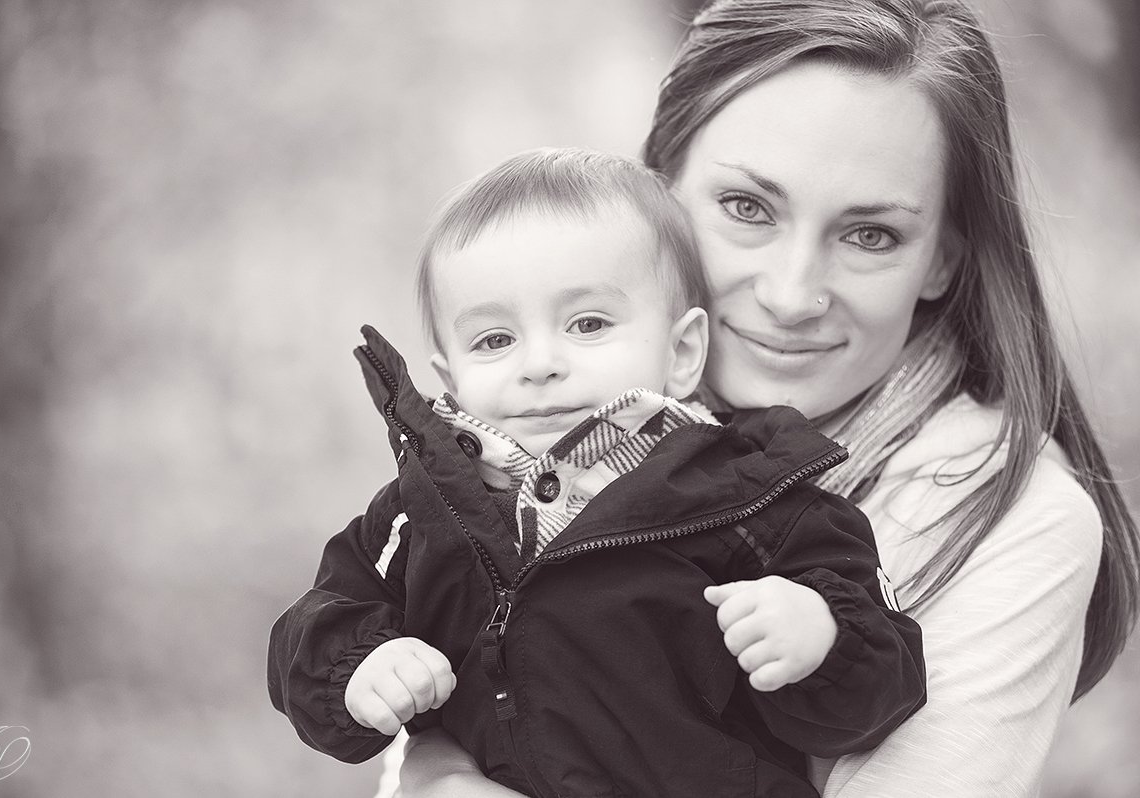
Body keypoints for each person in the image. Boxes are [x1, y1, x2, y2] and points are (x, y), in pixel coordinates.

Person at [391, 1, 1140, 797]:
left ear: (942, 262)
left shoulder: (1011, 520)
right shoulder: (552, 435)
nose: (791, 295)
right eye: (747, 208)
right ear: (660, 196)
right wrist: (433, 767)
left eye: (871, 235)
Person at [267, 147, 928, 797]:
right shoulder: (424, 512)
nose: (540, 362)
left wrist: (821, 635)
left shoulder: (751, 498)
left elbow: (883, 684)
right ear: (452, 379)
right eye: (495, 339)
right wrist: (359, 671)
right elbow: (320, 622)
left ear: (682, 351)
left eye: (588, 323)